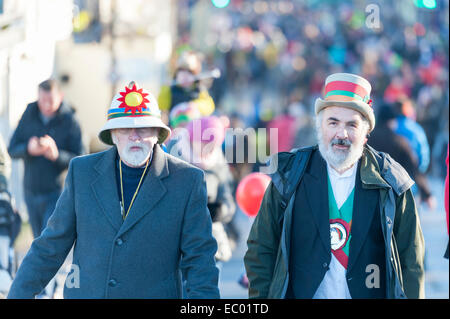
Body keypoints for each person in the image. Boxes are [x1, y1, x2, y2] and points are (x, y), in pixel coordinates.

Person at [7, 82, 220, 299]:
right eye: (125, 129)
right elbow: (50, 246)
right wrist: (18, 294)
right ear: (113, 135)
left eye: (143, 128)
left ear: (158, 133)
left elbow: (200, 260)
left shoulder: (187, 181)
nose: (134, 136)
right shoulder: (82, 173)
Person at [244, 73, 425, 299]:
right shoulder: (289, 175)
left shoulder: (392, 181)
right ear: (320, 126)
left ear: (366, 132)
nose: (342, 134)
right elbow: (261, 250)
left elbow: (411, 261)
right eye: (333, 122)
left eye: (352, 125)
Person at [8, 79, 83, 239]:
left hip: (56, 193)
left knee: (47, 239)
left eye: (51, 101)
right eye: (42, 100)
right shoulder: (29, 113)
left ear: (61, 96)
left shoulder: (70, 121)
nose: (46, 106)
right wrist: (28, 149)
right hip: (30, 191)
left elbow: (81, 159)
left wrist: (57, 155)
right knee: (37, 239)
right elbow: (12, 149)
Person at [369, 105, 436, 210]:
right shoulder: (399, 142)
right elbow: (415, 169)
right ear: (392, 121)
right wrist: (427, 194)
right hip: (397, 195)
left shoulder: (367, 140)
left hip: (370, 195)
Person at [158, 51, 215, 117]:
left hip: (194, 124)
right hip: (174, 124)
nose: (185, 76)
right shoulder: (170, 89)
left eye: (189, 72)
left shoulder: (199, 89)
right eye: (181, 71)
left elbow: (209, 106)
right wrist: (165, 89)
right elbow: (161, 106)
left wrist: (195, 105)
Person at [393, 98, 430, 174]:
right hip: (411, 175)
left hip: (391, 173)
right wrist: (418, 172)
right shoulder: (417, 129)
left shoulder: (391, 126)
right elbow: (423, 155)